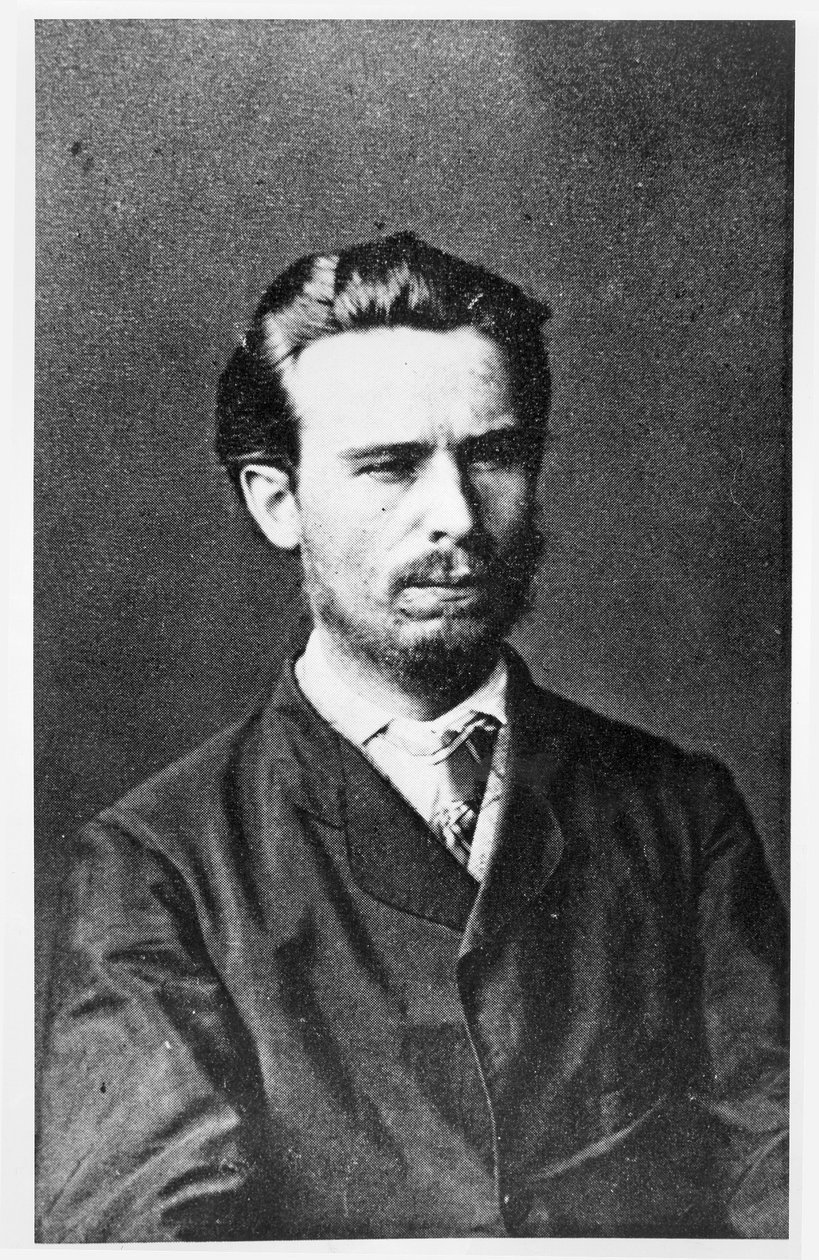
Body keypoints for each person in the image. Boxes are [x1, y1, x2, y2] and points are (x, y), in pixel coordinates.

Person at [36, 232, 788, 1242]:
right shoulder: (155, 866)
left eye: (492, 457)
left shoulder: (680, 813)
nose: (457, 517)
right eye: (390, 467)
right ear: (277, 502)